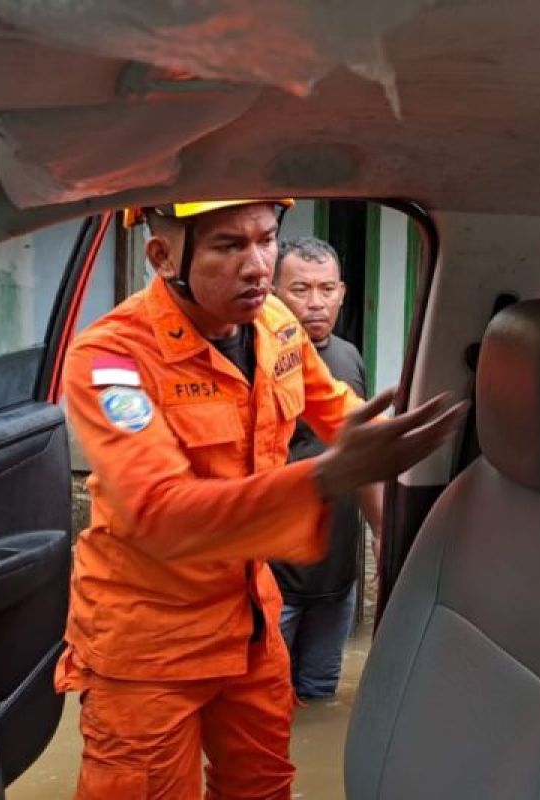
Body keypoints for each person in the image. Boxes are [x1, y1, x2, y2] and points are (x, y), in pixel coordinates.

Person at [56, 199, 464, 798]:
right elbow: (159, 511)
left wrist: (412, 447)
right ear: (163, 256)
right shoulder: (112, 357)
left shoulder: (275, 324)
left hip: (250, 624)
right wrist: (326, 477)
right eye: (228, 245)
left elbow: (339, 416)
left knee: (265, 788)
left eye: (267, 239)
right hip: (147, 649)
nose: (258, 266)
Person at [270, 236, 380, 699]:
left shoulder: (348, 357)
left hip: (336, 577)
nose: (316, 303)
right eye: (300, 289)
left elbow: (362, 451)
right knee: (263, 708)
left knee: (320, 697)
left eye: (326, 288)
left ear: (342, 293)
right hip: (274, 578)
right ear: (273, 293)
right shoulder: (257, 358)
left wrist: (382, 531)